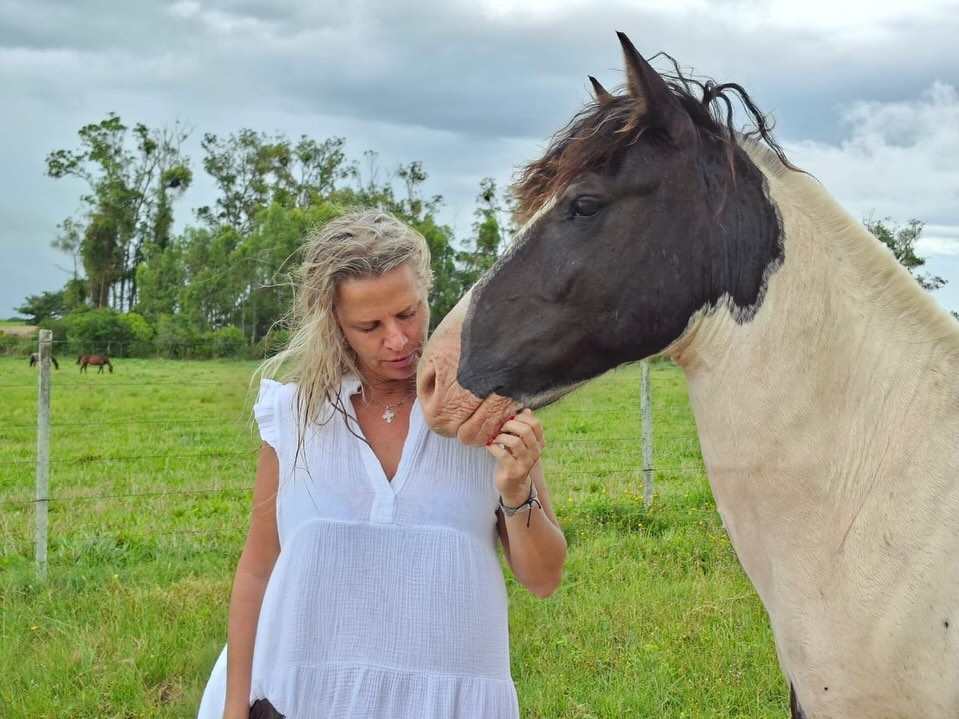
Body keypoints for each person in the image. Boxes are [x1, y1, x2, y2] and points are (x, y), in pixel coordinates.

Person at [197, 209, 567, 719]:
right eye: (369, 326)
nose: (396, 340)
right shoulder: (295, 415)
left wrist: (515, 488)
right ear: (334, 324)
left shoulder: (489, 409)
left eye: (408, 314)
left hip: (446, 703)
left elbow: (544, 579)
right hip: (297, 700)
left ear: (429, 295)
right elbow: (258, 571)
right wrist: (233, 710)